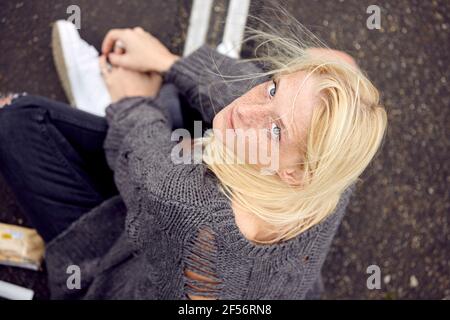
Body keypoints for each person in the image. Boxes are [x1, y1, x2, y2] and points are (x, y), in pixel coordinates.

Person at [0, 11, 387, 299]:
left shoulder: (189, 208)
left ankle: (107, 100)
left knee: (17, 122)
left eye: (275, 130)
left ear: (297, 175)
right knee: (335, 69)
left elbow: (144, 156)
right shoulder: (333, 175)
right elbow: (259, 92)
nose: (246, 110)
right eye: (273, 88)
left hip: (123, 264)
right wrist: (166, 61)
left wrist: (131, 96)